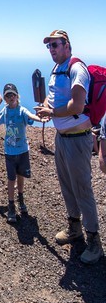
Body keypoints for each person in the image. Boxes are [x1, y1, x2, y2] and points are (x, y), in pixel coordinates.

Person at [37, 30, 102, 264]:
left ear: (67, 45)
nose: (52, 49)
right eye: (49, 46)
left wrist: (52, 112)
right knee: (67, 186)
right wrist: (46, 106)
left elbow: (77, 105)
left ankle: (94, 241)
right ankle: (75, 228)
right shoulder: (57, 70)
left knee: (82, 189)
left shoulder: (77, 69)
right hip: (62, 138)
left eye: (55, 45)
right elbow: (53, 97)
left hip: (78, 138)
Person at [0, 84, 44, 224]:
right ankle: (11, 206)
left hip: (22, 151)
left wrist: (42, 119)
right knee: (11, 179)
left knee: (20, 176)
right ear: (5, 98)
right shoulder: (5, 111)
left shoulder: (22, 110)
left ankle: (20, 199)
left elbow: (30, 116)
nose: (11, 98)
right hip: (9, 152)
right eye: (8, 95)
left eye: (12, 95)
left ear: (17, 96)